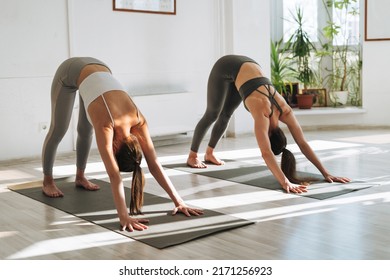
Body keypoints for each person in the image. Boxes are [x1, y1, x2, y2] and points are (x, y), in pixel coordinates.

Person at [42, 57, 203, 231]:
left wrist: (179, 201)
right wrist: (123, 216)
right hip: (70, 70)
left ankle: (80, 177)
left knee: (85, 130)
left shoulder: (139, 122)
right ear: (117, 147)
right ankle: (47, 181)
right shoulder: (107, 124)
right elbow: (114, 176)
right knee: (58, 129)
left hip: (101, 70)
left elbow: (154, 163)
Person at [186, 54, 350, 193]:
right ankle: (192, 156)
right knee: (213, 113)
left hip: (247, 70)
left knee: (227, 114)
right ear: (270, 135)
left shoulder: (285, 111)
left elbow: (302, 143)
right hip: (226, 66)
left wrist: (326, 173)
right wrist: (285, 182)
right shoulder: (262, 112)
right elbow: (266, 153)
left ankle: (209, 154)